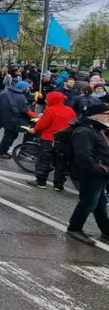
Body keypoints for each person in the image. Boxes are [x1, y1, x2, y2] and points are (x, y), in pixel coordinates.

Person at [65, 103, 109, 245]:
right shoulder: (84, 131)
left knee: (100, 203)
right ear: (95, 115)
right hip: (89, 174)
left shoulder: (97, 128)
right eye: (106, 114)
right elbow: (83, 156)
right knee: (88, 203)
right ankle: (74, 228)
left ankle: (106, 231)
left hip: (100, 174)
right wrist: (99, 169)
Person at [26, 91, 76, 190]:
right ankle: (58, 184)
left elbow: (42, 124)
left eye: (47, 99)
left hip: (49, 138)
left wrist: (34, 130)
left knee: (44, 160)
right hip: (64, 140)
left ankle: (41, 181)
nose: (46, 100)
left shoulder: (50, 110)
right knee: (61, 162)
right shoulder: (70, 110)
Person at [0, 81, 38, 159]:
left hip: (7, 118)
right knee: (9, 136)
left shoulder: (6, 93)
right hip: (14, 119)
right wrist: (36, 117)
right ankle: (1, 151)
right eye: (27, 87)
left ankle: (2, 151)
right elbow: (25, 110)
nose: (28, 89)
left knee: (9, 135)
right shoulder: (20, 97)